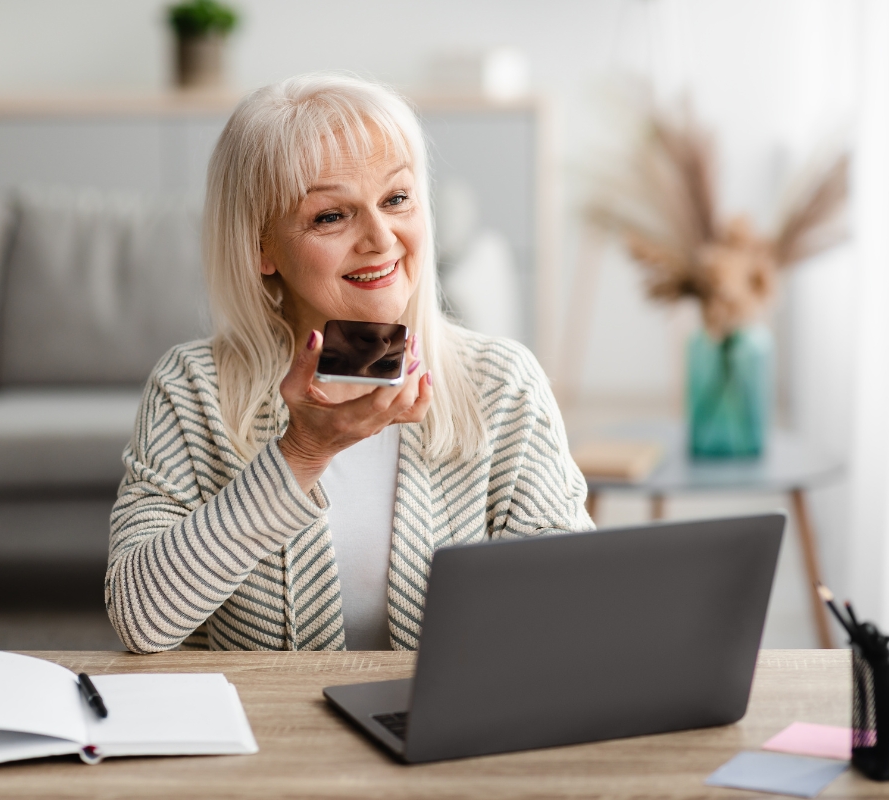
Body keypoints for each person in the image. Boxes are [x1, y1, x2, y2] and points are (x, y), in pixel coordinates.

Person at [106, 73, 593, 654]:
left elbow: (568, 610)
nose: (381, 238)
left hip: (440, 735)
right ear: (262, 247)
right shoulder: (193, 388)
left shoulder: (503, 383)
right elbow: (140, 622)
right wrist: (301, 454)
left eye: (396, 199)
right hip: (274, 739)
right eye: (331, 216)